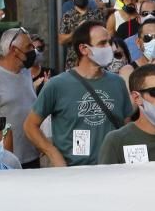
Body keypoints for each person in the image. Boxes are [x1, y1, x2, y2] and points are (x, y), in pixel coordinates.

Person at [24, 21, 134, 167]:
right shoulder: (57, 85)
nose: (110, 48)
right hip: (73, 173)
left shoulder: (117, 83)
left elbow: (125, 128)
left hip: (112, 170)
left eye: (109, 42)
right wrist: (53, 154)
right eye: (102, 43)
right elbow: (30, 126)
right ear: (83, 49)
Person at [0, 28, 40, 168]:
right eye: (29, 47)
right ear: (14, 50)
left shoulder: (26, 73)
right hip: (5, 159)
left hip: (31, 156)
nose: (33, 50)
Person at [59, 0, 105, 69]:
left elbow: (104, 35)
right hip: (73, 62)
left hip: (94, 60)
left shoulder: (97, 14)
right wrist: (76, 32)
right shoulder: (68, 16)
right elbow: (61, 40)